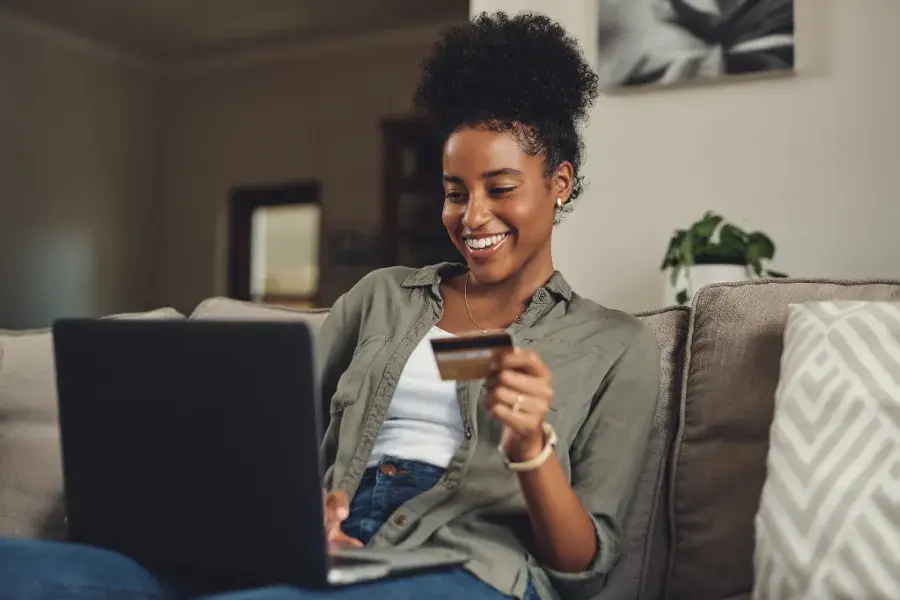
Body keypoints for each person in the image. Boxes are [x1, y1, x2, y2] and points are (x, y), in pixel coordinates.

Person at [0, 10, 661, 600]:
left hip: (467, 569)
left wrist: (531, 447)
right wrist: (299, 509)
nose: (473, 215)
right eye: (455, 191)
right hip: (324, 555)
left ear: (560, 182)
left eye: (501, 187)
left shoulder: (614, 345)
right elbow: (266, 434)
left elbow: (584, 566)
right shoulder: (383, 297)